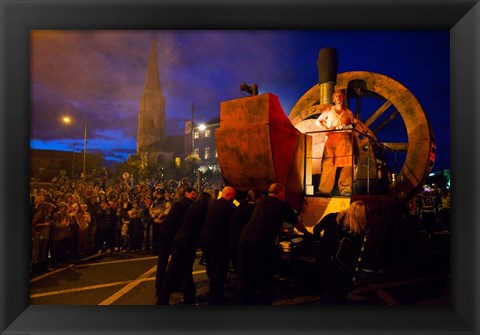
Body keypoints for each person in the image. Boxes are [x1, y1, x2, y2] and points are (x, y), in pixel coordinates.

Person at [234, 183, 312, 305]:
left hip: (244, 239)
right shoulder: (282, 205)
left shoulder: (261, 202)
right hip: (260, 243)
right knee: (264, 275)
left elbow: (263, 220)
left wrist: (280, 229)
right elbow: (296, 223)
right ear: (280, 192)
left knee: (245, 274)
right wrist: (307, 234)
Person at [157, 191, 211, 305]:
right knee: (187, 269)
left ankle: (163, 298)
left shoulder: (191, 207)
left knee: (172, 268)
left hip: (179, 238)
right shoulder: (202, 210)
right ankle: (189, 297)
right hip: (188, 241)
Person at [312, 200, 367, 304]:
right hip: (340, 264)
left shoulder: (332, 217)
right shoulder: (356, 229)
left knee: (325, 287)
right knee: (336, 291)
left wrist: (319, 242)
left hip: (323, 257)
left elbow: (316, 229)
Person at [154, 186, 197, 300]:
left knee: (164, 261)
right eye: (193, 193)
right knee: (170, 261)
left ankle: (161, 287)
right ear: (187, 193)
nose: (194, 196)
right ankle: (164, 288)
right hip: (170, 234)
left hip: (166, 232)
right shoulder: (186, 203)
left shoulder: (179, 202)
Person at [200, 186, 237, 305]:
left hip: (206, 239)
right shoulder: (230, 207)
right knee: (219, 270)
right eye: (233, 197)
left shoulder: (213, 204)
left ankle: (216, 295)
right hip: (218, 242)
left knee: (212, 268)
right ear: (229, 196)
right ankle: (215, 299)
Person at [315, 90, 356, 195]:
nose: (338, 97)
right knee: (329, 164)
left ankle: (346, 190)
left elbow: (353, 125)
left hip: (345, 140)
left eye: (341, 95)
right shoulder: (329, 110)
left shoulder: (349, 112)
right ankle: (324, 190)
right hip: (332, 139)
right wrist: (327, 129)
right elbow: (318, 121)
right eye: (336, 96)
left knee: (347, 165)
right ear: (333, 99)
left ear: (343, 98)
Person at [227, 188, 264, 272]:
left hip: (233, 243)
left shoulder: (241, 206)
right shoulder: (253, 210)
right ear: (256, 198)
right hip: (241, 245)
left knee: (239, 272)